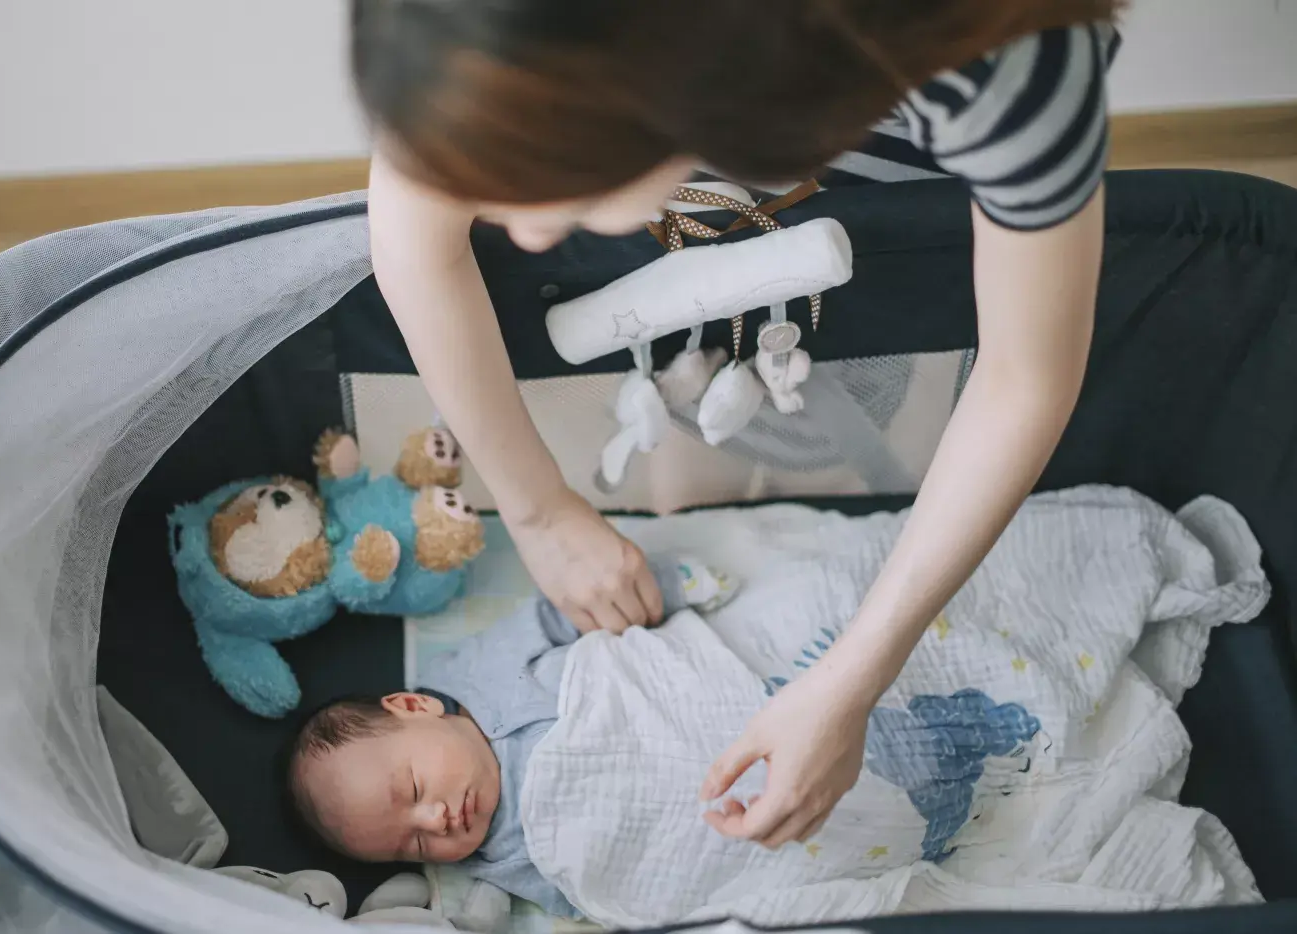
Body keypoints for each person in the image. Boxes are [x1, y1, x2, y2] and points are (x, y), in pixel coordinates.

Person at [349, 0, 1120, 851]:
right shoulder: (492, 33)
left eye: (546, 193)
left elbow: (1022, 376)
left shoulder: (1004, 60)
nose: (524, 236)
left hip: (895, 223)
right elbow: (413, 234)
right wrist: (537, 509)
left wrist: (851, 682)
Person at [286, 555, 738, 917]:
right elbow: (583, 889)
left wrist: (660, 588)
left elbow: (556, 616)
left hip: (657, 696)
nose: (434, 821)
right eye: (416, 846)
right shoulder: (497, 857)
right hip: (680, 808)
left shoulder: (476, 674)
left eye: (414, 789)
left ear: (413, 707)